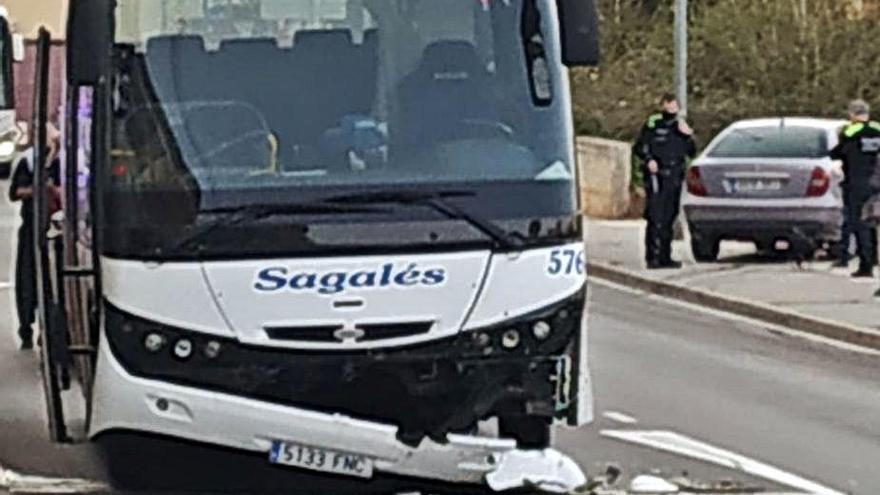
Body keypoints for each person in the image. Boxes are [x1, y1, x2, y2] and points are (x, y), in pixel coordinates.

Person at [7, 126, 61, 350]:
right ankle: (26, 328)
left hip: (57, 228)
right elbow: (15, 192)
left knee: (53, 283)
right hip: (32, 227)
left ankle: (51, 330)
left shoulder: (64, 161)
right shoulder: (29, 161)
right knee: (27, 279)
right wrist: (38, 189)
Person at [633, 93, 697, 269]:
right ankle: (652, 257)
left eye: (674, 106)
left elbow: (691, 152)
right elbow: (640, 147)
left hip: (675, 176)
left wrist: (688, 135)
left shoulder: (679, 126)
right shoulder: (653, 124)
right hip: (656, 176)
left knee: (669, 218)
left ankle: (665, 256)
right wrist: (648, 160)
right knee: (655, 217)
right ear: (662, 106)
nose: (671, 109)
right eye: (668, 105)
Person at [829, 99, 880, 279]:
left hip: (857, 183)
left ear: (852, 114)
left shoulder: (850, 131)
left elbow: (835, 153)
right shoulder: (877, 128)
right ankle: (873, 258)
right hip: (877, 183)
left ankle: (865, 265)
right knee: (873, 223)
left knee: (859, 224)